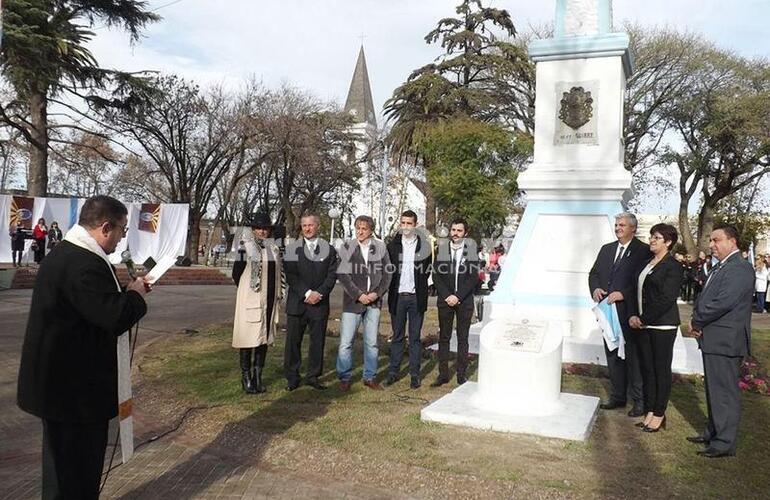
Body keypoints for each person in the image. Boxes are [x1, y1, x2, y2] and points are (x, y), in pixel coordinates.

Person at [16, 195, 150, 499]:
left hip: (60, 387)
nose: (122, 238)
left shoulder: (67, 253)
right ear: (106, 227)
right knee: (77, 476)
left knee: (60, 473)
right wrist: (135, 296)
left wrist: (125, 293)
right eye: (122, 230)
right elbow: (113, 317)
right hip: (75, 395)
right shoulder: (85, 263)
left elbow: (91, 306)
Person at [686, 225, 754, 458]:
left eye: (717, 240)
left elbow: (723, 302)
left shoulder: (740, 268)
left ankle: (724, 442)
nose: (711, 245)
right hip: (714, 338)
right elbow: (705, 297)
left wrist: (697, 321)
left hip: (726, 341)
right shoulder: (722, 266)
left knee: (724, 392)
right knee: (714, 390)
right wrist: (697, 318)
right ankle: (714, 431)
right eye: (711, 240)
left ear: (732, 241)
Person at [588, 212, 651, 417]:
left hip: (629, 312)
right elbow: (594, 273)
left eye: (622, 225)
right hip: (608, 312)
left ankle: (639, 401)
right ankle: (618, 396)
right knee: (613, 354)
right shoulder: (607, 249)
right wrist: (596, 288)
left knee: (633, 357)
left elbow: (643, 281)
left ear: (633, 228)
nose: (618, 228)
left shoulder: (643, 251)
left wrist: (623, 293)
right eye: (616, 225)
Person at [628, 224, 684, 433]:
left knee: (661, 370)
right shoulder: (646, 263)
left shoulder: (673, 266)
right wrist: (633, 315)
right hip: (643, 324)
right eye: (651, 236)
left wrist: (643, 318)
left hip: (662, 325)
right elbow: (635, 290)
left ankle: (660, 413)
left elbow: (666, 298)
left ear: (668, 242)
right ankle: (650, 411)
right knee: (648, 370)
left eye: (657, 237)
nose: (652, 240)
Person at [336, 215, 393, 391]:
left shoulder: (380, 247)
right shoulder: (348, 247)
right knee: (346, 342)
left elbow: (387, 274)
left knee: (372, 343)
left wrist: (377, 294)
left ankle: (370, 377)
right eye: (358, 228)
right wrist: (358, 295)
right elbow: (343, 275)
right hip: (353, 302)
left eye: (364, 229)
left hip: (374, 303)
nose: (360, 232)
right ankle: (344, 377)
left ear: (371, 231)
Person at [283, 213, 338, 391]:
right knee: (293, 343)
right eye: (304, 225)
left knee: (317, 342)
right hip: (297, 303)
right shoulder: (292, 249)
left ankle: (313, 376)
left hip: (319, 304)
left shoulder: (330, 250)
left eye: (310, 225)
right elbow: (291, 275)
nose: (307, 228)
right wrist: (307, 293)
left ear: (318, 226)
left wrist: (319, 293)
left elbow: (332, 275)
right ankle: (292, 377)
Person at [231, 213, 283, 394]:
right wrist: (247, 290)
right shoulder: (245, 248)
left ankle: (258, 377)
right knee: (247, 338)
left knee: (263, 339)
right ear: (253, 230)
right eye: (259, 228)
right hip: (251, 299)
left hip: (269, 299)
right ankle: (246, 377)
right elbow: (236, 274)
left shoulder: (273, 249)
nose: (262, 231)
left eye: (265, 228)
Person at [384, 210, 433, 390]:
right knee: (397, 337)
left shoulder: (424, 247)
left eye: (409, 223)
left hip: (415, 298)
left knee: (415, 338)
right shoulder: (392, 246)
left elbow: (427, 270)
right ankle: (393, 372)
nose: (405, 227)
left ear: (415, 225)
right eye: (403, 223)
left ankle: (414, 374)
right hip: (397, 297)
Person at [431, 218, 480, 387]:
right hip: (445, 301)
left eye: (459, 230)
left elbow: (473, 277)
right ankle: (443, 375)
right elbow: (436, 275)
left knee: (462, 338)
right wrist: (447, 296)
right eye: (453, 230)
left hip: (464, 301)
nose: (455, 233)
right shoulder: (442, 249)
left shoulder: (471, 250)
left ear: (465, 233)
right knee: (444, 337)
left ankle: (461, 374)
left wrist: (457, 296)